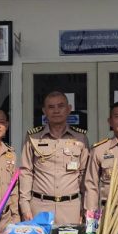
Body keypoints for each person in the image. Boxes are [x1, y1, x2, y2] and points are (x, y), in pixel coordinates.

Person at [19, 91, 89, 225]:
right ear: (44, 111)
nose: (56, 111)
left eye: (60, 106)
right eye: (51, 107)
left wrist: (85, 208)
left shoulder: (80, 138)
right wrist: (25, 207)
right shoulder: (33, 137)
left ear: (69, 109)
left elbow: (84, 175)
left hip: (71, 208)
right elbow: (26, 172)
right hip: (39, 206)